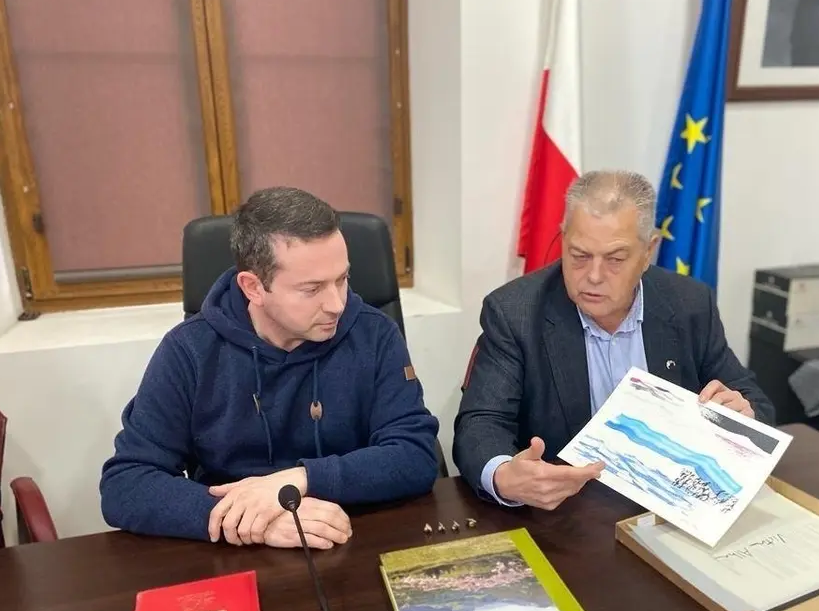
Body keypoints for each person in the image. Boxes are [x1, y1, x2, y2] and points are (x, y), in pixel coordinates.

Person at [101, 186, 439, 548]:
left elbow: (416, 455)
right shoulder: (189, 350)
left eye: (342, 279)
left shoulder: (374, 334)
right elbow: (126, 485)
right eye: (312, 289)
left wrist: (298, 481)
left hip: (349, 535)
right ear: (253, 288)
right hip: (235, 549)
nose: (336, 305)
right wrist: (257, 521)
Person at [453, 170, 774, 511]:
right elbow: (479, 424)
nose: (593, 276)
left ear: (648, 252)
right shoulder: (515, 313)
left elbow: (753, 400)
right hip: (565, 511)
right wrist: (504, 475)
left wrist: (743, 416)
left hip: (667, 505)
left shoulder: (689, 304)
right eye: (579, 255)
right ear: (563, 239)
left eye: (615, 259)